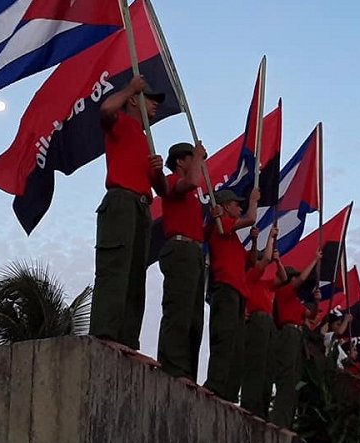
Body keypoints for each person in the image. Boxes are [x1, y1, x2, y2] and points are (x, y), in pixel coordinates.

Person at [89, 75, 167, 350]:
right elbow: (107, 110)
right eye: (150, 100)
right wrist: (129, 88)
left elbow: (164, 190)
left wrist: (158, 172)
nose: (155, 106)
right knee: (115, 268)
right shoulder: (120, 122)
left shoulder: (146, 140)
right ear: (134, 101)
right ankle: (105, 333)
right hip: (121, 201)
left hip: (142, 206)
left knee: (135, 275)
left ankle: (127, 339)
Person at [156, 141, 208, 381]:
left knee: (193, 316)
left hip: (194, 252)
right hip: (180, 249)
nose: (196, 162)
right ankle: (172, 365)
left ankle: (187, 369)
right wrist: (199, 155)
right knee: (179, 310)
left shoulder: (192, 197)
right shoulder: (170, 180)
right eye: (191, 158)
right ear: (180, 161)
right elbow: (193, 181)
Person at [203, 187, 260, 401]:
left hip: (237, 291)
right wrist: (253, 199)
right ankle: (215, 383)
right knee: (224, 336)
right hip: (225, 287)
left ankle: (228, 389)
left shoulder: (233, 238)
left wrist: (254, 241)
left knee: (236, 343)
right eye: (236, 204)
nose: (240, 207)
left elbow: (252, 262)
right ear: (226, 207)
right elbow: (251, 217)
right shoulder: (220, 226)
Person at [270, 250, 321, 429]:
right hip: (288, 334)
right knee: (286, 378)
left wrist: (316, 303)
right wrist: (315, 259)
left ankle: (287, 420)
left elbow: (311, 316)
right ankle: (279, 420)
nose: (298, 282)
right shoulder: (283, 293)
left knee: (294, 380)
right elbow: (301, 280)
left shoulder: (296, 301)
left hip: (297, 336)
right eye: (295, 278)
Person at [240, 225, 279, 417]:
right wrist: (270, 238)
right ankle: (251, 404)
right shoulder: (249, 277)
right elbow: (265, 259)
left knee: (266, 367)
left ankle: (262, 408)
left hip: (267, 325)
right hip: (256, 322)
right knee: (255, 364)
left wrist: (278, 262)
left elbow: (284, 278)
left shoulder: (264, 284)